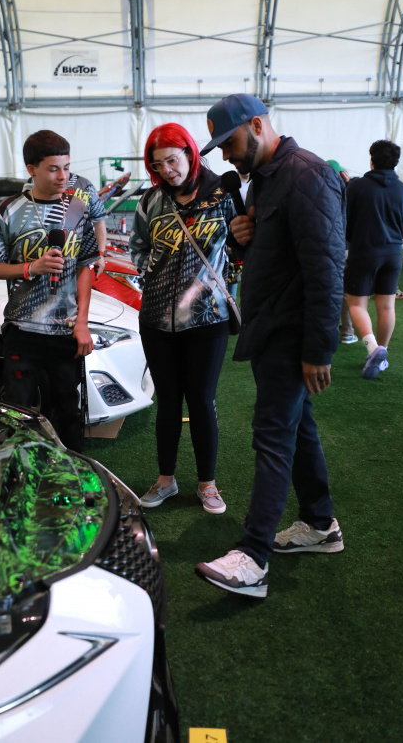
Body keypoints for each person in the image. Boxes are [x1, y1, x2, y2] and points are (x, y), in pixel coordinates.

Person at [194, 94, 345, 598]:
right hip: (269, 327)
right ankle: (320, 524)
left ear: (257, 125)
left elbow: (327, 269)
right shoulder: (263, 178)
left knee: (273, 436)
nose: (225, 155)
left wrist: (319, 349)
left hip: (290, 332)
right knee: (298, 428)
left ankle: (253, 558)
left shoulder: (308, 175)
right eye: (219, 148)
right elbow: (275, 252)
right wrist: (244, 238)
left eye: (230, 142)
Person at [129, 123, 236, 514]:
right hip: (156, 319)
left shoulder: (223, 194)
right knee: (168, 402)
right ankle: (166, 480)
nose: (167, 170)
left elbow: (240, 245)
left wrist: (222, 279)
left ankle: (208, 484)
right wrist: (154, 273)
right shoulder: (151, 200)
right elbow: (138, 247)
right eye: (158, 165)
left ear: (191, 153)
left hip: (208, 318)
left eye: (172, 160)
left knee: (202, 401)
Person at [0, 130, 98, 451]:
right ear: (32, 169)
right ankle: (18, 469)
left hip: (65, 332)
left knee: (68, 412)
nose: (64, 176)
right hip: (23, 331)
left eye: (67, 167)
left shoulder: (78, 208)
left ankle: (73, 470)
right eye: (54, 169)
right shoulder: (9, 210)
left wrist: (82, 323)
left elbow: (85, 267)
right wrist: (30, 268)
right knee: (17, 412)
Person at [344, 140, 403, 379]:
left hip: (363, 251)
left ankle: (373, 348)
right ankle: (381, 355)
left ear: (371, 160)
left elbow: (345, 222)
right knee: (387, 306)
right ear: (396, 162)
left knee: (356, 304)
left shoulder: (356, 187)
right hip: (393, 253)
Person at [327, 159, 358, 345]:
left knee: (326, 290)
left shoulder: (318, 191)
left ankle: (328, 330)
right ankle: (347, 331)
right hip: (346, 249)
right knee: (347, 293)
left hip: (325, 250)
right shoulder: (351, 192)